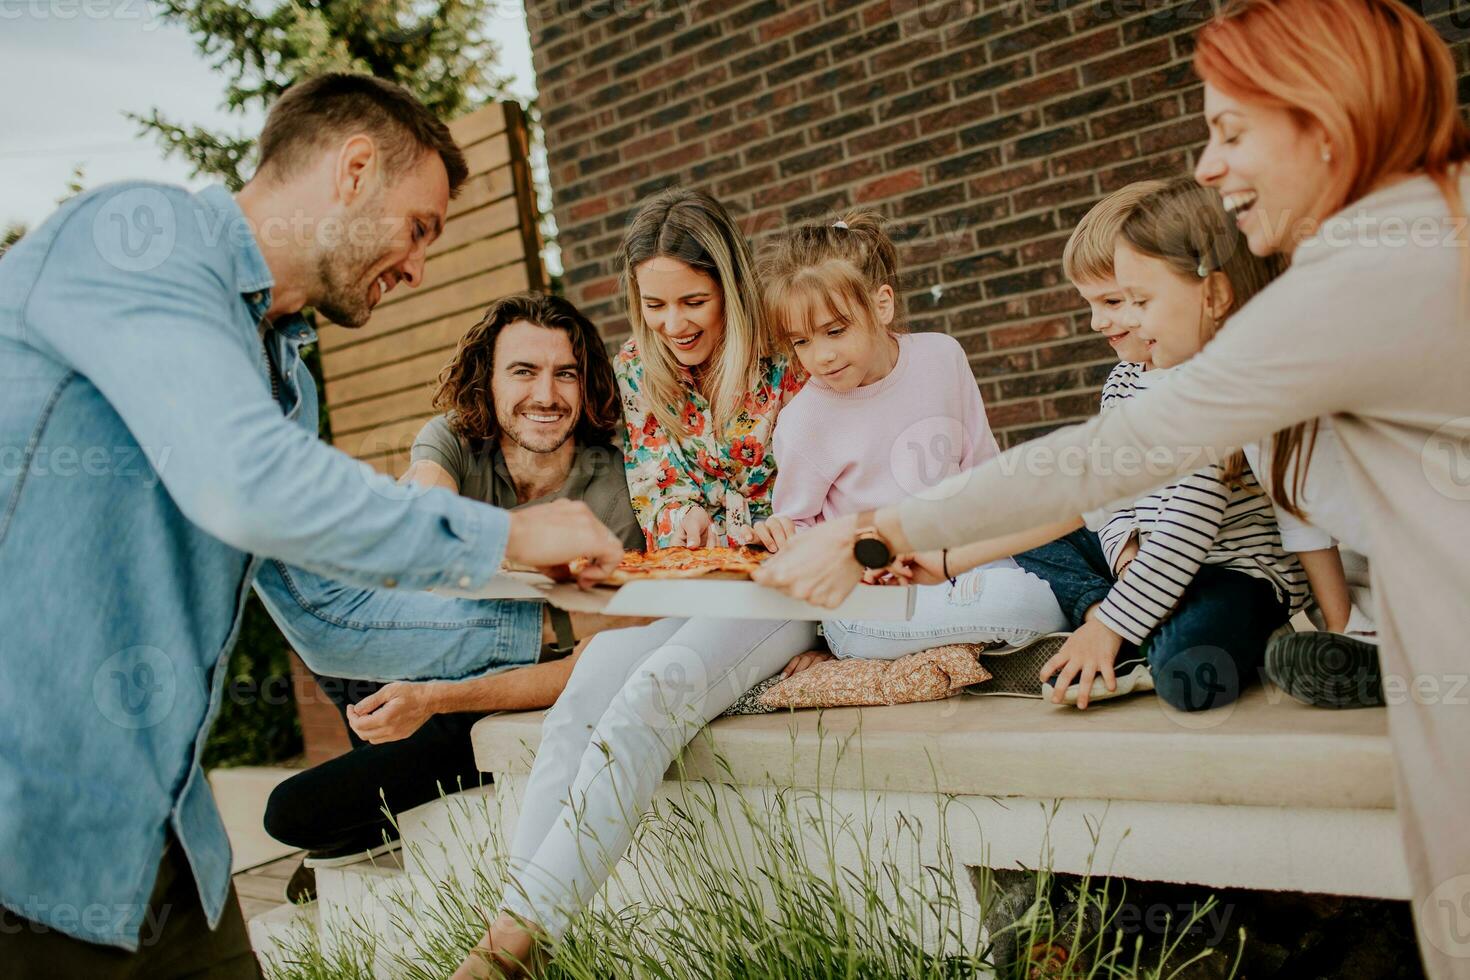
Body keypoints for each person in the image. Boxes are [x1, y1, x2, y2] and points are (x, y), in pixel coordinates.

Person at [753, 1, 1470, 973]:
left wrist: (871, 532)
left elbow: (1121, 450)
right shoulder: (1402, 235)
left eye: (1229, 130)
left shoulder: (1373, 266)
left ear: (1326, 121)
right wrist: (937, 544)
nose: (1208, 165)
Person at [0, 74, 621, 978]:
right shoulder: (139, 240)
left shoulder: (283, 374)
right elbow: (246, 482)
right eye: (420, 227)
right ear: (355, 169)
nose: (417, 268)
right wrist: (511, 538)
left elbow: (332, 614)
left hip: (159, 845)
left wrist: (551, 621)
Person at [451, 188, 814, 978]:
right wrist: (680, 512)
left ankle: (509, 952)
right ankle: (516, 924)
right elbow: (655, 490)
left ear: (731, 288)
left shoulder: (789, 356)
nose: (674, 323)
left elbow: (825, 476)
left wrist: (767, 518)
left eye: (694, 301)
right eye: (655, 304)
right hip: (696, 585)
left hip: (786, 587)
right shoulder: (636, 371)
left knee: (654, 693)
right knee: (584, 693)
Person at [259, 292, 648, 901]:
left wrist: (437, 699)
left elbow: (588, 662)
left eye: (564, 374)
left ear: (587, 383)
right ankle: (369, 806)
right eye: (523, 371)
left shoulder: (613, 494)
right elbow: (422, 519)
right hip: (405, 660)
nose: (546, 395)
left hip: (495, 696)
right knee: (361, 596)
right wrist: (513, 546)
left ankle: (357, 821)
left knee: (289, 813)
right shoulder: (455, 440)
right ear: (487, 382)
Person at [1019, 177, 1308, 712]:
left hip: (1227, 568)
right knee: (1029, 527)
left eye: (1116, 300)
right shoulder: (1123, 380)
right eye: (1091, 303)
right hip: (1146, 556)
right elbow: (1109, 491)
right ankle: (1112, 617)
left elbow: (1189, 522)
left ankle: (1146, 638)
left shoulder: (1213, 380)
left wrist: (1116, 621)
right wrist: (1126, 556)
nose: (1097, 321)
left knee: (1193, 680)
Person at [750, 210, 1067, 679]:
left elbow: (985, 469)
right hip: (872, 603)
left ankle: (983, 636)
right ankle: (989, 644)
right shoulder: (804, 420)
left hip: (967, 564)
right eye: (801, 342)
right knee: (1029, 605)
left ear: (882, 305)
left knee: (1043, 592)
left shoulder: (942, 356)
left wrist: (993, 562)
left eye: (835, 330)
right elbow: (797, 530)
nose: (822, 355)